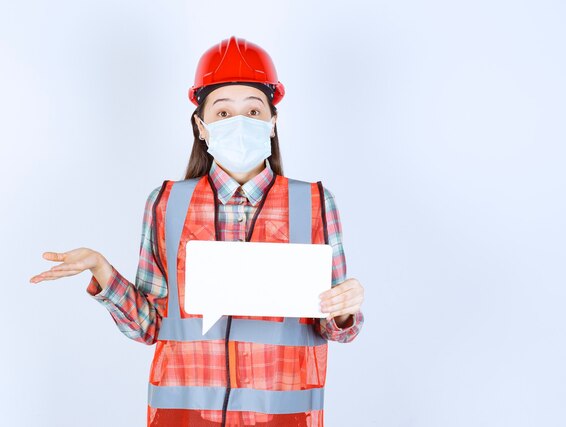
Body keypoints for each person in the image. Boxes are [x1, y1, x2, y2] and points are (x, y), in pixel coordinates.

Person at [29, 35, 365, 427]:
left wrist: (346, 311)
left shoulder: (313, 204)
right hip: (185, 417)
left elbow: (336, 329)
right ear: (201, 127)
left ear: (272, 123)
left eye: (254, 111)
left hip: (282, 418)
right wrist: (101, 270)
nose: (239, 122)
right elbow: (150, 326)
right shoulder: (167, 204)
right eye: (223, 113)